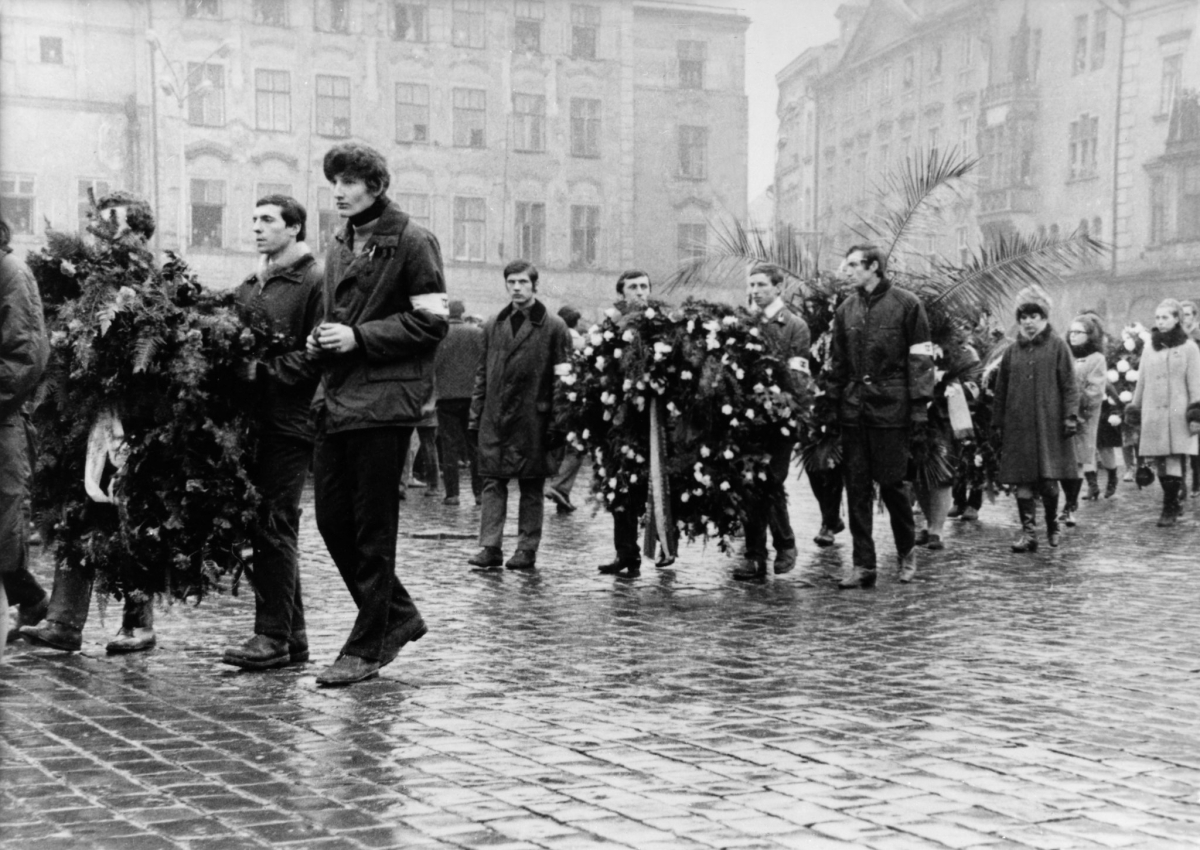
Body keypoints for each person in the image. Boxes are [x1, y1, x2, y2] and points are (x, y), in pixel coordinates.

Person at [306, 142, 448, 686]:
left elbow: (432, 321)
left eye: (348, 182)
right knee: (331, 520)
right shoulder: (341, 241)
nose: (339, 192)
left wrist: (359, 338)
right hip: (338, 398)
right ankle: (399, 616)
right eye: (334, 182)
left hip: (386, 402)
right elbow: (338, 312)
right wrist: (322, 338)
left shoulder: (413, 240)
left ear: (376, 187)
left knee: (373, 527)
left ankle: (367, 646)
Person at [21, 191, 161, 653]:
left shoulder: (155, 288)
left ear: (140, 233)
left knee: (132, 514)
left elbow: (156, 357)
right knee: (73, 512)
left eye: (114, 224)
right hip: (80, 415)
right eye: (98, 224)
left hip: (134, 420)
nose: (103, 234)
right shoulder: (82, 285)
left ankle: (138, 623)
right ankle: (63, 621)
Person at [220, 195, 322, 671]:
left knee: (274, 522)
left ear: (294, 228)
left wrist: (261, 371)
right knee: (268, 522)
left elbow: (319, 355)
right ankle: (292, 635)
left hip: (292, 420)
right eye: (254, 219)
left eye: (268, 220)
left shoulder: (315, 281)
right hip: (254, 422)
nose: (257, 227)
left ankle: (271, 636)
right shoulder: (250, 285)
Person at [826, 244, 934, 588]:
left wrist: (918, 410)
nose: (848, 271)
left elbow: (921, 360)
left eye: (854, 265)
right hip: (854, 410)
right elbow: (838, 362)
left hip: (891, 409)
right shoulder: (846, 309)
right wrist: (832, 405)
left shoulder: (907, 304)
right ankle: (863, 565)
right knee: (856, 488)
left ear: (874, 266)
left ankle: (906, 553)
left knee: (892, 485)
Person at [468, 261, 572, 571]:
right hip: (496, 418)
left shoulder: (554, 326)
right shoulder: (493, 324)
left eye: (523, 282)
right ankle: (490, 546)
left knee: (531, 485)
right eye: (511, 281)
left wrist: (559, 421)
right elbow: (482, 374)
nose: (516, 287)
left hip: (533, 420)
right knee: (492, 482)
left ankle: (527, 548)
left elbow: (564, 378)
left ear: (534, 286)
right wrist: (476, 416)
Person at [733, 263, 810, 580]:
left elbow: (798, 377)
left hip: (780, 419)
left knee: (770, 481)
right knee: (749, 482)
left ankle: (784, 543)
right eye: (751, 285)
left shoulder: (794, 326)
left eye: (761, 284)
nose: (755, 291)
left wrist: (781, 405)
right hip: (746, 419)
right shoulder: (742, 325)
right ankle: (755, 556)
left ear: (779, 287)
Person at [993, 286, 1080, 552]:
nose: (1028, 322)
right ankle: (1029, 534)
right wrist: (998, 423)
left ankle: (1052, 525)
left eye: (1034, 316)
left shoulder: (1058, 347)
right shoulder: (1011, 352)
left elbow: (1070, 385)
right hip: (1019, 426)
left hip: (1049, 425)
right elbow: (1001, 389)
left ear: (1044, 318)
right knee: (1022, 481)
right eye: (1024, 317)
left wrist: (1070, 416)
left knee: (1049, 481)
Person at [1, 218, 50, 652]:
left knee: (4, 527)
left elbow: (26, 355)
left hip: (3, 421)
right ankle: (31, 600)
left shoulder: (11, 273)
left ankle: (29, 600)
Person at [597, 270, 655, 576]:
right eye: (633, 287)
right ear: (622, 293)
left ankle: (664, 546)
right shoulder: (610, 325)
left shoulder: (660, 324)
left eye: (644, 286)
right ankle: (626, 554)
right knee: (620, 488)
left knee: (655, 486)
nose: (640, 292)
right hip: (619, 420)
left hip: (653, 421)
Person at [1127, 299, 1200, 527]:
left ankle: (1169, 506)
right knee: (1160, 461)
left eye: (1165, 317)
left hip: (1178, 414)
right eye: (1157, 318)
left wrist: (1196, 414)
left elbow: (1195, 384)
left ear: (1177, 319)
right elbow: (1141, 381)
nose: (1160, 321)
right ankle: (1172, 502)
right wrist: (1135, 409)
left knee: (1173, 458)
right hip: (1153, 413)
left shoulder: (1189, 348)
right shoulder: (1150, 348)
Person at [435, 298, 483, 506]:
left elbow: (434, 364)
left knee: (449, 446)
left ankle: (452, 494)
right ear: (463, 312)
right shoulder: (476, 333)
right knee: (474, 445)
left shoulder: (439, 334)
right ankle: (479, 493)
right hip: (472, 396)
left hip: (446, 397)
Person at [1060, 314, 1107, 526]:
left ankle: (1070, 506)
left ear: (1089, 335)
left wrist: (1076, 410)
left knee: (1077, 462)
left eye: (1078, 332)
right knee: (1063, 462)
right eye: (1071, 332)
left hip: (1082, 418)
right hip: (1061, 416)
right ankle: (1067, 504)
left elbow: (1094, 392)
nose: (1073, 336)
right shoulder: (1065, 355)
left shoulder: (1096, 359)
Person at [545, 305, 587, 513]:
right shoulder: (578, 341)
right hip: (571, 399)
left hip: (550, 398)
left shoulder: (549, 338)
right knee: (576, 445)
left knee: (561, 445)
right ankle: (559, 487)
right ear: (576, 322)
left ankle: (563, 493)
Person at [1182, 299, 1200, 495]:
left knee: (1196, 436)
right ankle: (1181, 483)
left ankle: (1196, 480)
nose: (1183, 318)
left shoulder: (1197, 338)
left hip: (1197, 393)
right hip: (1181, 394)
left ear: (1195, 317)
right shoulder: (1175, 339)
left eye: (1187, 314)